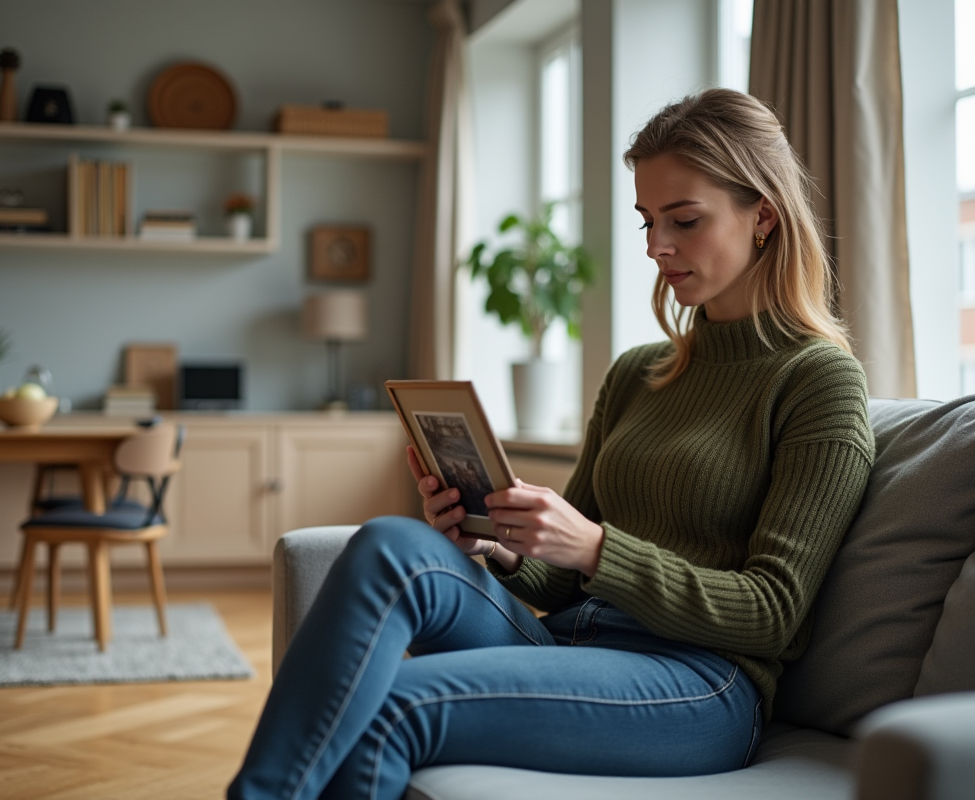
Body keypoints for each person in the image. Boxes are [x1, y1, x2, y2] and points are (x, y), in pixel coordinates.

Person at [228, 88, 875, 800]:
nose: (658, 246)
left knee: (394, 703)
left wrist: (597, 547)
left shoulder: (817, 380)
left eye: (685, 220)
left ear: (764, 217)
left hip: (701, 685)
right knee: (390, 544)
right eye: (648, 221)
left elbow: (774, 611)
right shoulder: (639, 374)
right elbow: (561, 582)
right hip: (574, 641)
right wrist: (497, 542)